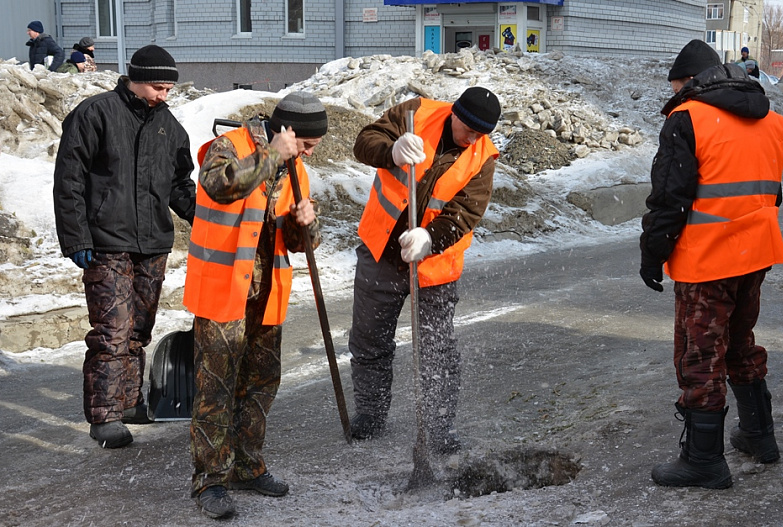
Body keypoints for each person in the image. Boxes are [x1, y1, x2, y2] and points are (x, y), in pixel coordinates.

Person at [639, 39, 783, 489]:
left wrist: (653, 254)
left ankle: (704, 460)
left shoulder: (687, 118)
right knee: (740, 341)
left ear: (689, 82)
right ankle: (760, 436)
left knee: (700, 353)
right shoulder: (771, 119)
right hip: (756, 251)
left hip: (707, 258)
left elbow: (670, 198)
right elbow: (770, 189)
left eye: (676, 85)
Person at [183, 91, 326, 520]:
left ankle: (247, 465)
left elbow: (302, 243)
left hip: (267, 295)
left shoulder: (295, 167)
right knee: (216, 390)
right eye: (305, 145)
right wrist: (270, 157)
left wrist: (307, 225)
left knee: (261, 385)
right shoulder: (230, 146)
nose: (307, 153)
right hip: (223, 289)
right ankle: (210, 481)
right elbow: (217, 185)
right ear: (287, 133)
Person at [53, 44, 196, 449]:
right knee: (112, 331)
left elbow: (179, 184)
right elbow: (69, 180)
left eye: (168, 88)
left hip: (152, 243)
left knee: (138, 330)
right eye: (157, 87)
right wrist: (76, 237)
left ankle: (131, 402)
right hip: (105, 241)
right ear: (135, 78)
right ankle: (105, 417)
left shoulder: (170, 127)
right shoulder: (95, 113)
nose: (163, 95)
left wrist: (206, 216)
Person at [346, 87, 501, 454]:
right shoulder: (417, 113)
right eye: (469, 130)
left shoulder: (483, 157)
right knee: (369, 340)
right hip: (381, 249)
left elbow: (465, 214)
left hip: (434, 267)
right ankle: (370, 414)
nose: (473, 139)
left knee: (437, 351)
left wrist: (430, 238)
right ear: (455, 115)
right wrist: (391, 150)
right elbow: (364, 141)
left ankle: (438, 427)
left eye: (482, 134)